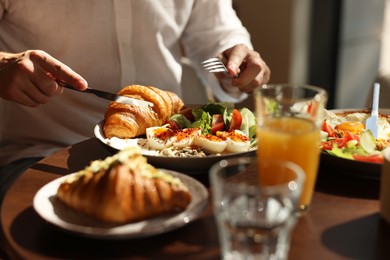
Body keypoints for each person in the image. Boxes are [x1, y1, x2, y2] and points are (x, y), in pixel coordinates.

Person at [0, 1, 270, 202]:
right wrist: (2, 65)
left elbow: (216, 35)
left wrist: (236, 62)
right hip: (43, 156)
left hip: (169, 152)